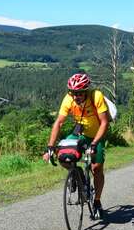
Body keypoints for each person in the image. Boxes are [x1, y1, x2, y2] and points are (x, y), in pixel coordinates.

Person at [43, 73, 110, 218]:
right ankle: (78, 173)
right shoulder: (68, 99)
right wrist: (50, 146)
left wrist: (94, 144)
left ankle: (97, 201)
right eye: (73, 93)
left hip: (97, 136)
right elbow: (59, 123)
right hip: (80, 134)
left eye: (79, 93)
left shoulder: (96, 96)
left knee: (96, 168)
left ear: (86, 91)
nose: (76, 96)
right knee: (63, 154)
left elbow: (104, 123)